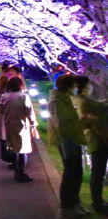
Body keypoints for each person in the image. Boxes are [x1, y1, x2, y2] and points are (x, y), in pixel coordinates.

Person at [49, 75, 90, 217]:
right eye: (73, 85)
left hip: (73, 138)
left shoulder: (64, 99)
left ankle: (75, 202)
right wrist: (81, 121)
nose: (75, 88)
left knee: (77, 172)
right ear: (68, 86)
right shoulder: (57, 101)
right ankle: (67, 205)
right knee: (71, 173)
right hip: (66, 141)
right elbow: (62, 124)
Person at [72, 76, 108, 215]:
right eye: (89, 84)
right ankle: (97, 202)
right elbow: (102, 107)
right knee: (98, 172)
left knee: (97, 172)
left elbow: (100, 104)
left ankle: (98, 200)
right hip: (98, 139)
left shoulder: (77, 99)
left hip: (92, 137)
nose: (91, 87)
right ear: (85, 86)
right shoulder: (85, 102)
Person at [0, 77, 38, 182]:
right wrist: (33, 124)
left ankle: (16, 169)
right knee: (22, 149)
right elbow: (29, 112)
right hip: (21, 125)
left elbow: (1, 110)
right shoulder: (23, 97)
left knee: (13, 148)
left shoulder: (4, 96)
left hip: (8, 124)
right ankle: (21, 172)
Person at [0, 74, 15, 167]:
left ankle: (7, 157)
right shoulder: (10, 91)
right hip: (10, 115)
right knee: (11, 137)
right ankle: (14, 158)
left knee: (3, 138)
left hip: (0, 116)